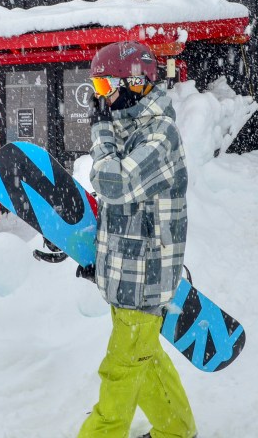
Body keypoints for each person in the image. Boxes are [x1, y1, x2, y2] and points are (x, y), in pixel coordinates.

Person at [76, 41, 197, 438]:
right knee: (146, 360)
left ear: (134, 83)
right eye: (96, 87)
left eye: (104, 86)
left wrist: (100, 131)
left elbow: (115, 183)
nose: (101, 97)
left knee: (121, 370)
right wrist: (99, 260)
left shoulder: (161, 136)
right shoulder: (127, 132)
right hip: (126, 276)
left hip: (144, 281)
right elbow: (120, 213)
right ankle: (177, 431)